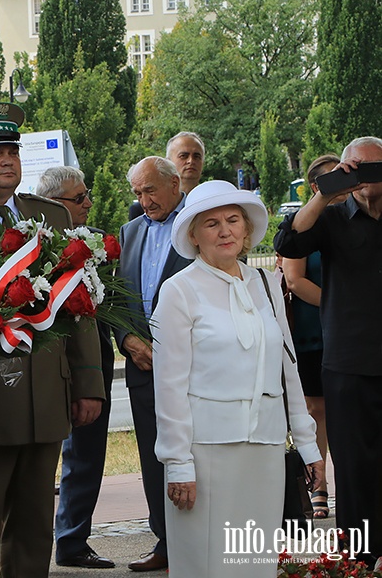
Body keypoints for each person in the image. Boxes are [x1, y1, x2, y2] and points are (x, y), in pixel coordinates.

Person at [0, 105, 105, 578]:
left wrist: (89, 381)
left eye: (13, 151)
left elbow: (78, 303)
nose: (7, 161)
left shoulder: (50, 216)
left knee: (36, 519)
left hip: (47, 388)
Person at [153, 180, 323, 575]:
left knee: (253, 563)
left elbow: (288, 371)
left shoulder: (266, 283)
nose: (224, 230)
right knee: (206, 564)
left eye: (233, 220)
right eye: (211, 223)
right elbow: (170, 386)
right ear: (194, 234)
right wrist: (178, 463)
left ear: (246, 230)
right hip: (205, 452)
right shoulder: (178, 290)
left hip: (264, 450)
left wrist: (308, 445)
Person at [275, 136, 382, 567]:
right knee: (354, 466)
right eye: (347, 167)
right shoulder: (333, 217)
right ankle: (359, 556)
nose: (353, 176)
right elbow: (288, 245)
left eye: (365, 168)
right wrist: (324, 195)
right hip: (349, 361)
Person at [36, 166, 115, 569]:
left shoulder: (96, 242)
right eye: (78, 198)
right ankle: (23, 550)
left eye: (87, 195)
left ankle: (72, 540)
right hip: (42, 367)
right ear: (52, 204)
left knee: (87, 455)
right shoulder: (27, 245)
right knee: (35, 467)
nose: (88, 204)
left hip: (91, 364)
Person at [114, 156, 191, 572]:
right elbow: (117, 297)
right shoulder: (130, 232)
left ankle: (196, 541)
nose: (144, 200)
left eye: (150, 190)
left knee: (195, 455)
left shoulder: (199, 225)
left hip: (193, 371)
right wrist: (127, 340)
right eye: (138, 193)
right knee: (151, 457)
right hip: (143, 370)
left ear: (174, 184)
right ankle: (164, 542)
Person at [279, 154, 345, 520]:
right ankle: (318, 487)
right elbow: (294, 280)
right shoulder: (309, 221)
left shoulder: (357, 215)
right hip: (312, 327)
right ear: (317, 186)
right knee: (315, 410)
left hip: (351, 328)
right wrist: (340, 304)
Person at [129, 131, 205, 221]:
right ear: (168, 161)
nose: (190, 161)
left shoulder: (210, 204)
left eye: (197, 156)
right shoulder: (144, 209)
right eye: (183, 156)